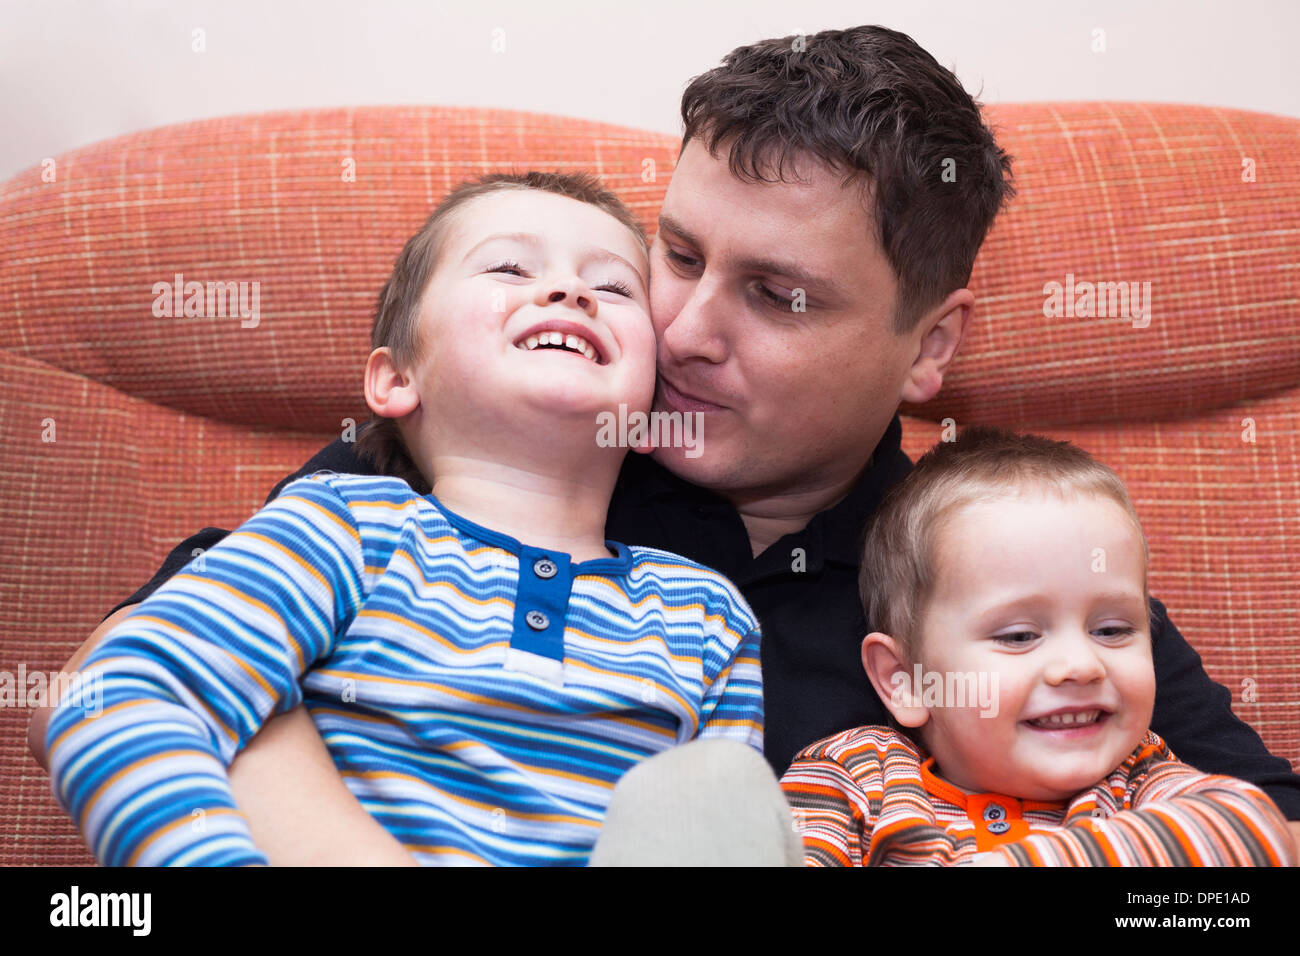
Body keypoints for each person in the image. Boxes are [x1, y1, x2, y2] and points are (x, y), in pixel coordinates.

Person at [30, 25, 1300, 861]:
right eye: (678, 254)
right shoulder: (511, 448)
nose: (680, 328)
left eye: (778, 294)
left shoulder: (993, 569)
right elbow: (134, 657)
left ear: (929, 347)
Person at [44, 171, 765, 867]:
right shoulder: (340, 528)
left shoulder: (709, 617)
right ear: (395, 379)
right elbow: (120, 694)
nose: (571, 290)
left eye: (612, 287)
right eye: (510, 268)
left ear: (652, 411)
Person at [779, 427, 1296, 866]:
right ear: (905, 680)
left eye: (1112, 630)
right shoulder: (857, 775)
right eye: (1019, 636)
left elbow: (1260, 833)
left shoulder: (1140, 777)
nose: (1080, 665)